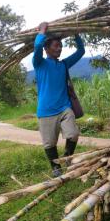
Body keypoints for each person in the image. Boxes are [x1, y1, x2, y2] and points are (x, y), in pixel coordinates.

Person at [33, 22, 85, 177]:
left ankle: (67, 158)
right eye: (56, 46)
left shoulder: (63, 64)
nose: (59, 48)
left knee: (73, 134)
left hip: (64, 108)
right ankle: (56, 167)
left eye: (60, 46)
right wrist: (42, 32)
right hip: (46, 111)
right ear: (46, 48)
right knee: (49, 143)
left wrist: (76, 34)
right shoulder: (39, 64)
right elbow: (36, 48)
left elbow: (81, 51)